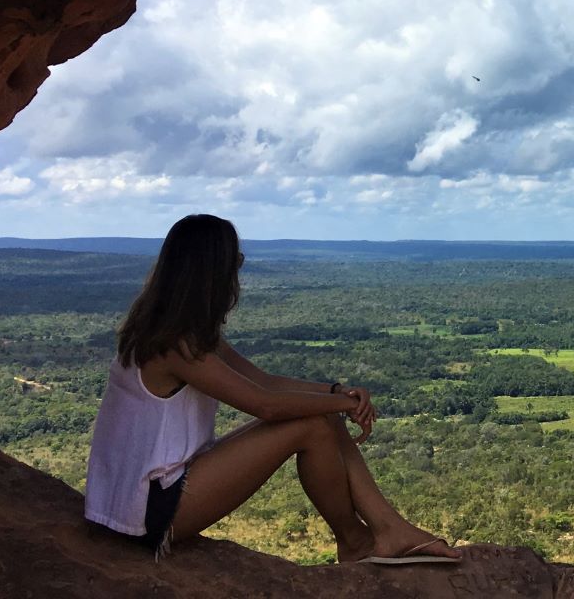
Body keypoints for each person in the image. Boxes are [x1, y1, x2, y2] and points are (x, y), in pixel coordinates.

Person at [83, 213, 464, 565]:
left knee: (320, 417)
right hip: (149, 510)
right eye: (236, 260)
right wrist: (336, 403)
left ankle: (387, 530)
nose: (240, 269)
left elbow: (263, 381)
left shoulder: (177, 332)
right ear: (212, 271)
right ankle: (358, 542)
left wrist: (336, 392)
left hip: (150, 493)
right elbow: (264, 404)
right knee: (312, 424)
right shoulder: (175, 344)